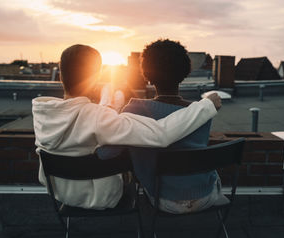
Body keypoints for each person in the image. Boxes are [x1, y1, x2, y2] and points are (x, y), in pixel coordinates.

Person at [32, 44, 222, 209]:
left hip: (60, 193)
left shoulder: (42, 112)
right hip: (99, 198)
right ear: (95, 76)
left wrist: (108, 105)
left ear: (61, 75)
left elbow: (87, 118)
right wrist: (206, 106)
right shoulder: (99, 118)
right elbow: (160, 134)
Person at [98, 39, 228, 214]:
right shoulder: (202, 112)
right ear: (185, 72)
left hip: (162, 200)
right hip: (206, 197)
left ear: (147, 75)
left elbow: (105, 153)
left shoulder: (134, 111)